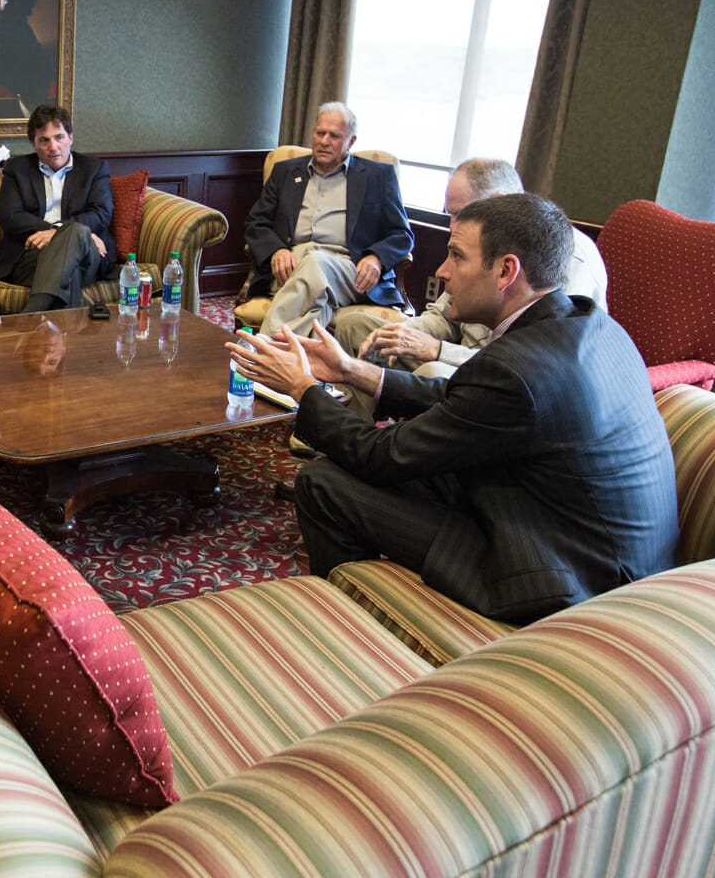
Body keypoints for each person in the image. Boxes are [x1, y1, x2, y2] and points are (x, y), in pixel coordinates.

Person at [229, 192, 677, 623]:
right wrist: (350, 370)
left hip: (567, 578)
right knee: (371, 470)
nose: (442, 271)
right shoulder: (587, 323)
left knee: (323, 482)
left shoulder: (517, 370)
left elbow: (381, 456)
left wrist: (303, 388)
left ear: (506, 271)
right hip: (558, 524)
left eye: (456, 256)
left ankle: (348, 630)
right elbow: (460, 402)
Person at [336, 157, 609, 378]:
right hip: (460, 357)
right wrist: (403, 335)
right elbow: (443, 316)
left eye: (461, 213)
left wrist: (439, 351)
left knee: (433, 370)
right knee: (358, 329)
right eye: (450, 214)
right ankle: (354, 433)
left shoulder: (569, 255)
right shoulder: (476, 242)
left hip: (509, 376)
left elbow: (541, 364)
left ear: (500, 200)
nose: (452, 225)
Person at [244, 102, 413, 338]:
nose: (324, 141)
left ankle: (265, 344)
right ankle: (301, 370)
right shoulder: (285, 172)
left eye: (334, 136)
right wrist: (276, 251)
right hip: (291, 266)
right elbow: (256, 223)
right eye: (320, 133)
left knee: (315, 262)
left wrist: (376, 259)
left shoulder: (378, 176)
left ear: (351, 142)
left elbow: (402, 235)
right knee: (318, 302)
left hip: (349, 270)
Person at [0, 104, 115, 313]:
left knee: (76, 232)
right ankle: (62, 339)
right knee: (70, 265)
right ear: (33, 144)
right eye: (44, 140)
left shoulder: (93, 169)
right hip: (32, 254)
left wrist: (56, 231)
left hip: (89, 254)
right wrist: (68, 233)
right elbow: (10, 216)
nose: (53, 147)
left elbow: (101, 212)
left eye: (59, 137)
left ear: (70, 137)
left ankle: (30, 317)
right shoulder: (18, 170)